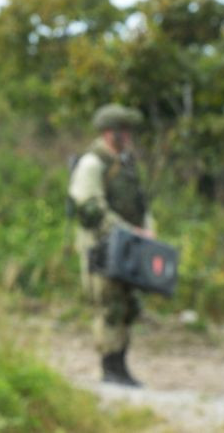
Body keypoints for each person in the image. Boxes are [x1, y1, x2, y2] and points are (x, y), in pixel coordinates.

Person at [67, 102, 153, 387]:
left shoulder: (125, 163)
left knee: (128, 306)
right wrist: (131, 232)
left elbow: (140, 204)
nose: (128, 135)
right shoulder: (92, 164)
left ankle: (121, 365)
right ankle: (110, 369)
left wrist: (147, 231)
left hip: (128, 245)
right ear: (109, 132)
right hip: (101, 247)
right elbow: (91, 208)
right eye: (123, 130)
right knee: (109, 307)